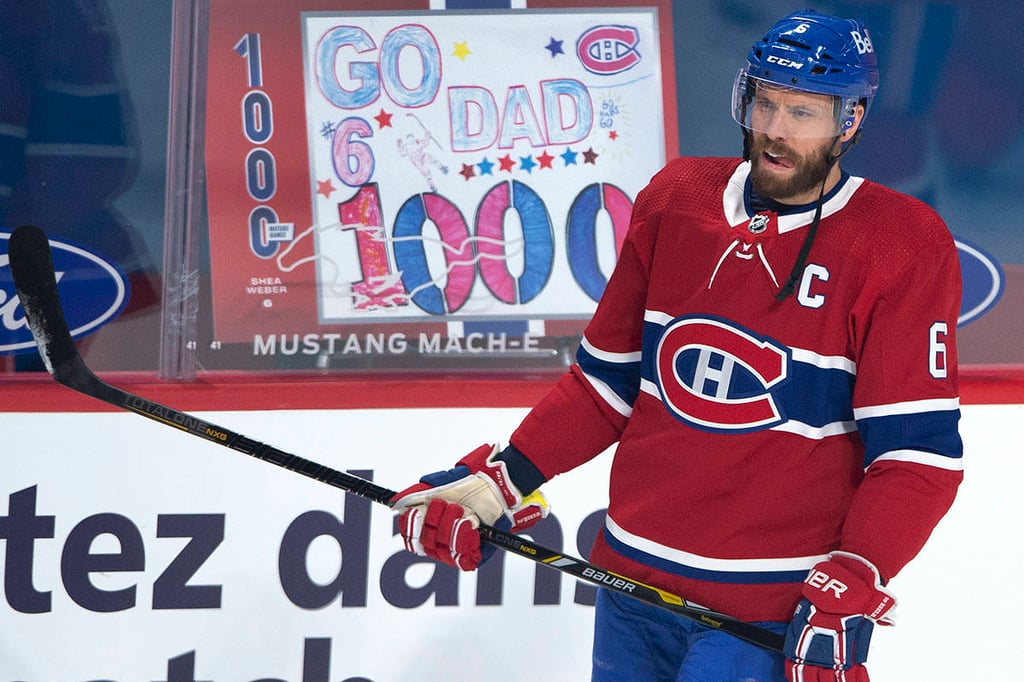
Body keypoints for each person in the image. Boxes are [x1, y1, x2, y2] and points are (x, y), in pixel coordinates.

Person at [392, 9, 963, 682]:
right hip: (631, 587)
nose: (775, 131)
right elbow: (604, 385)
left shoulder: (900, 244)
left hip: (762, 615)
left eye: (802, 112)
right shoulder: (676, 198)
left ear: (851, 120)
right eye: (766, 103)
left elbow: (916, 454)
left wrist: (859, 568)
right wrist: (505, 477)